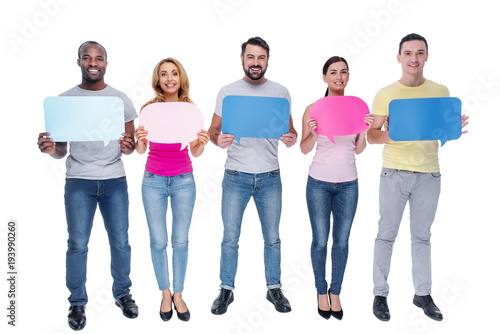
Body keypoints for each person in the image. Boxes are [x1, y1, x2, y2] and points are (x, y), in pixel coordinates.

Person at [37, 41, 139, 331]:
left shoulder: (120, 100)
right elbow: (61, 150)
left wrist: (128, 146)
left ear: (106, 63)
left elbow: (129, 148)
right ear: (79, 62)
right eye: (87, 58)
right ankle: (77, 302)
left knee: (120, 241)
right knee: (78, 244)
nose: (93, 63)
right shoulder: (65, 100)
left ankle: (123, 294)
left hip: (114, 180)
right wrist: (49, 149)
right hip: (79, 181)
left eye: (99, 58)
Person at [368, 33, 469, 322]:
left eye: (420, 52)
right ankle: (380, 294)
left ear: (426, 56)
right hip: (394, 173)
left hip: (429, 174)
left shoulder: (441, 90)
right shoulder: (385, 94)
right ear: (398, 57)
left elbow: (442, 134)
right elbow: (372, 136)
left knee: (422, 237)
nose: (414, 58)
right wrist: (395, 131)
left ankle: (422, 294)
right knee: (386, 234)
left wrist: (453, 130)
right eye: (408, 53)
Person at [208, 36, 297, 315]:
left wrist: (290, 138)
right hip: (236, 175)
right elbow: (213, 131)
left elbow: (290, 131)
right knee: (230, 237)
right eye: (250, 57)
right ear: (242, 59)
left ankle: (274, 288)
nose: (255, 63)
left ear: (267, 60)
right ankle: (226, 289)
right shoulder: (228, 92)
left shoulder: (280, 92)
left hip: (270, 176)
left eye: (260, 58)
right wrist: (217, 140)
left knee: (272, 237)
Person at [135, 57, 210, 322]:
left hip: (183, 180)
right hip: (153, 179)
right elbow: (141, 150)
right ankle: (165, 292)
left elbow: (196, 152)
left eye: (174, 73)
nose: (169, 78)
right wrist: (139, 140)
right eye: (164, 74)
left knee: (180, 240)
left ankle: (179, 293)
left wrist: (202, 142)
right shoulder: (148, 110)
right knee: (158, 240)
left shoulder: (190, 110)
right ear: (158, 80)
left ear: (181, 78)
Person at [300, 56, 373, 320]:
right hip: (318, 182)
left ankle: (336, 291)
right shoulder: (313, 108)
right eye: (333, 72)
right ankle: (321, 290)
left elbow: (359, 149)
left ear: (348, 76)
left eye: (343, 72)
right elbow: (303, 148)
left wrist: (364, 131)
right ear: (325, 77)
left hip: (348, 184)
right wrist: (311, 132)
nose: (338, 77)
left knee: (341, 241)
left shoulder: (357, 108)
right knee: (320, 240)